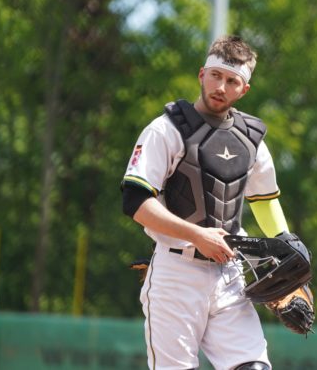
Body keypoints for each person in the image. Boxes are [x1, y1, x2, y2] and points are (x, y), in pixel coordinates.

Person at [121, 35, 292, 370]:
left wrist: (286, 247)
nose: (221, 87)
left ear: (244, 90)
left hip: (229, 274)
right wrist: (196, 235)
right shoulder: (166, 130)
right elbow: (136, 202)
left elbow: (264, 199)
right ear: (202, 74)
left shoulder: (251, 140)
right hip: (176, 273)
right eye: (216, 76)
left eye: (232, 81)